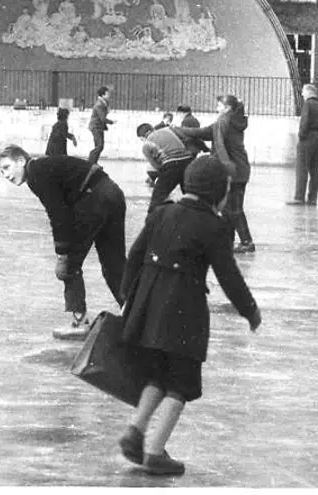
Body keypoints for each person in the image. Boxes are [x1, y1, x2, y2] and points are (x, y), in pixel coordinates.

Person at [117, 154, 261, 476]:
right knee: (180, 385)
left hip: (146, 310)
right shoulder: (216, 226)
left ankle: (135, 429)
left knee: (157, 376)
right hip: (183, 314)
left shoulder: (162, 213)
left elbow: (135, 256)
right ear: (216, 191)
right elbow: (228, 275)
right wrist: (249, 310)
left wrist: (126, 297)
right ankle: (154, 452)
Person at [0, 143, 126, 340]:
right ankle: (135, 314)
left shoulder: (35, 173)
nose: (6, 175)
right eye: (1, 172)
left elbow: (58, 213)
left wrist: (62, 251)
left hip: (93, 199)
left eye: (6, 167)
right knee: (114, 263)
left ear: (21, 160)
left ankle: (80, 321)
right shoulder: (42, 167)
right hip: (112, 192)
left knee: (68, 265)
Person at [183, 94, 255, 253]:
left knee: (233, 208)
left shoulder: (224, 120)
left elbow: (220, 145)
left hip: (233, 170)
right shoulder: (232, 120)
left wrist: (226, 169)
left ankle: (247, 242)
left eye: (219, 105)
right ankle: (230, 241)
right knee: (230, 207)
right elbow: (204, 132)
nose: (217, 108)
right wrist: (179, 130)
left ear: (227, 108)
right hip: (240, 168)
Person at [137, 121, 196, 213]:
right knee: (191, 195)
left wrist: (161, 179)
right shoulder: (168, 130)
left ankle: (153, 222)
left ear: (145, 135)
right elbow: (186, 139)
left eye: (141, 139)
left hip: (171, 165)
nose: (142, 141)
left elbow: (157, 166)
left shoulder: (146, 145)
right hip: (188, 161)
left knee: (157, 199)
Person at [290, 83, 318, 205]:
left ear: (309, 92)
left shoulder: (308, 104)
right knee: (314, 169)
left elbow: (304, 121)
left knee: (302, 168)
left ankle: (299, 197)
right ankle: (312, 198)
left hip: (308, 138)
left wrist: (301, 136)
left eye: (303, 91)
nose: (302, 94)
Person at [87, 86, 113, 166]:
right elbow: (102, 118)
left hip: (99, 127)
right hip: (96, 127)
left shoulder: (104, 103)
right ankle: (91, 161)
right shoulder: (99, 104)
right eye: (107, 94)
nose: (109, 95)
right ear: (103, 95)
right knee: (100, 145)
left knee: (99, 145)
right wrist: (111, 122)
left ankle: (93, 162)